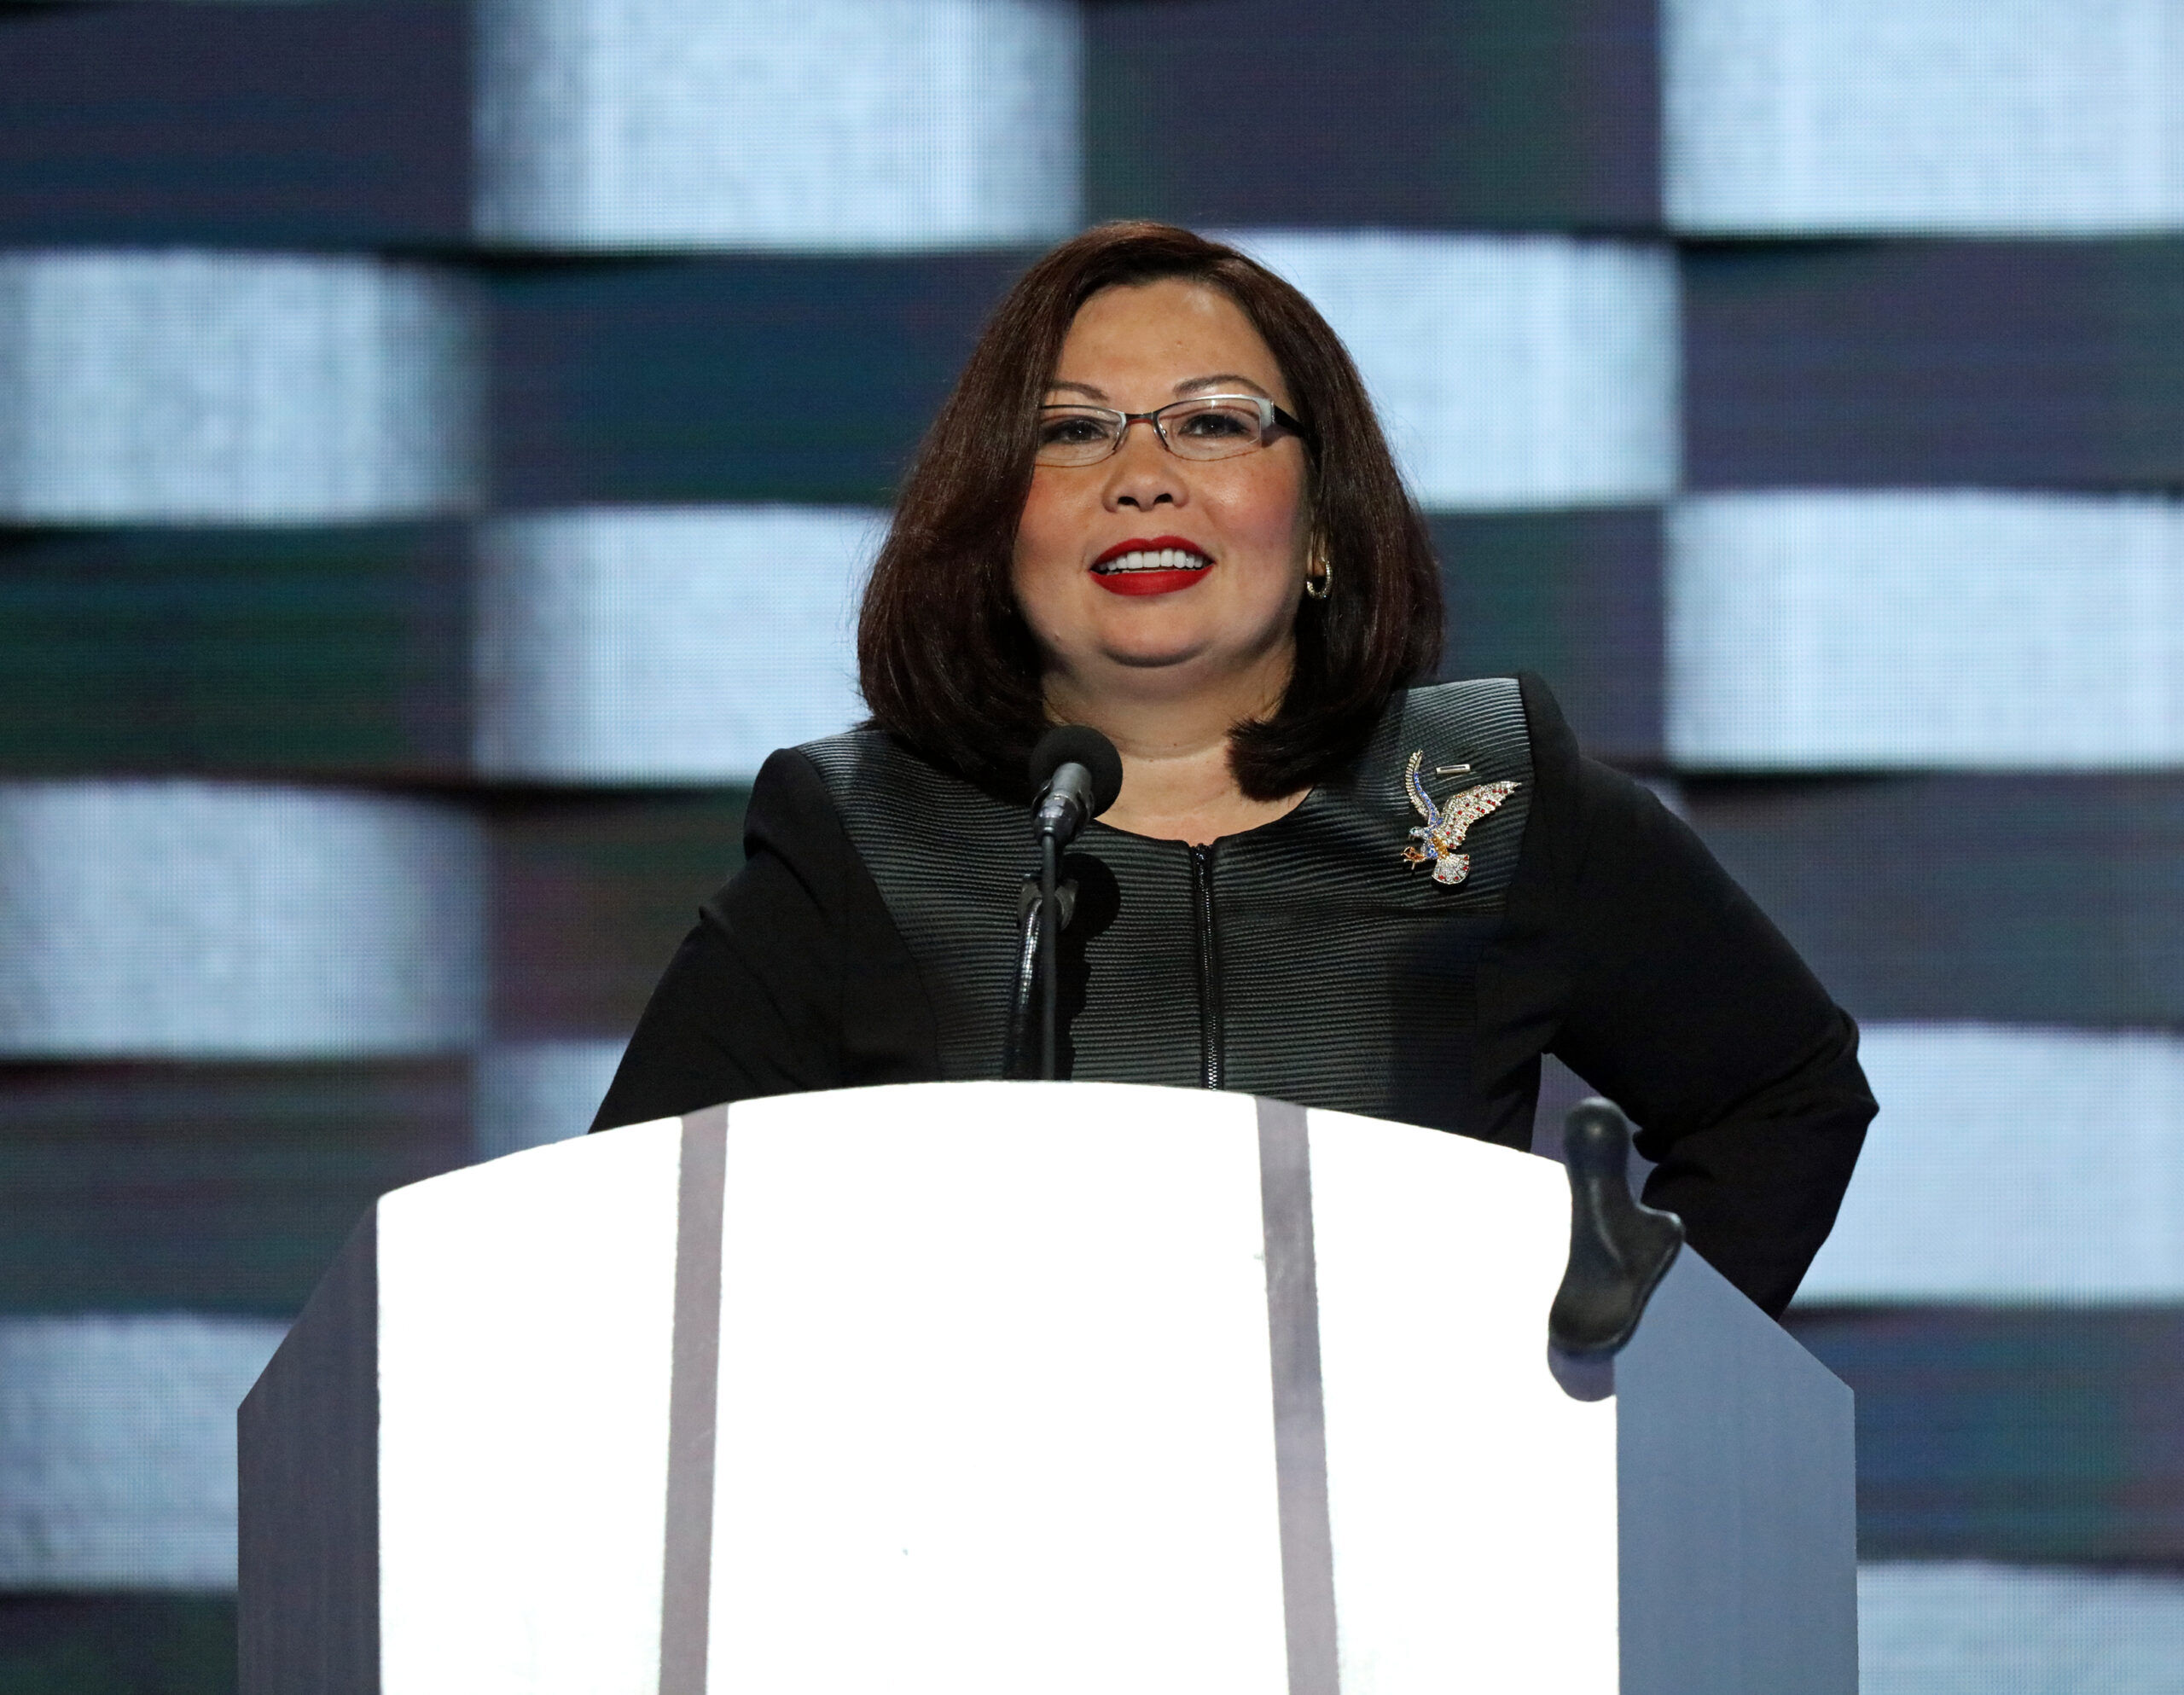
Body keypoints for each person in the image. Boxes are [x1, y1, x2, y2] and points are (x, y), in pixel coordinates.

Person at [592, 222, 1873, 1320]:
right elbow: (627, 1233)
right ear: (996, 523)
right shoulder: (860, 833)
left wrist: (1614, 1378)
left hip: (1425, 1559)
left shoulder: (1488, 784)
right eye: (1073, 433)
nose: (1143, 478)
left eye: (1214, 424)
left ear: (1319, 520)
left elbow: (1782, 1096)